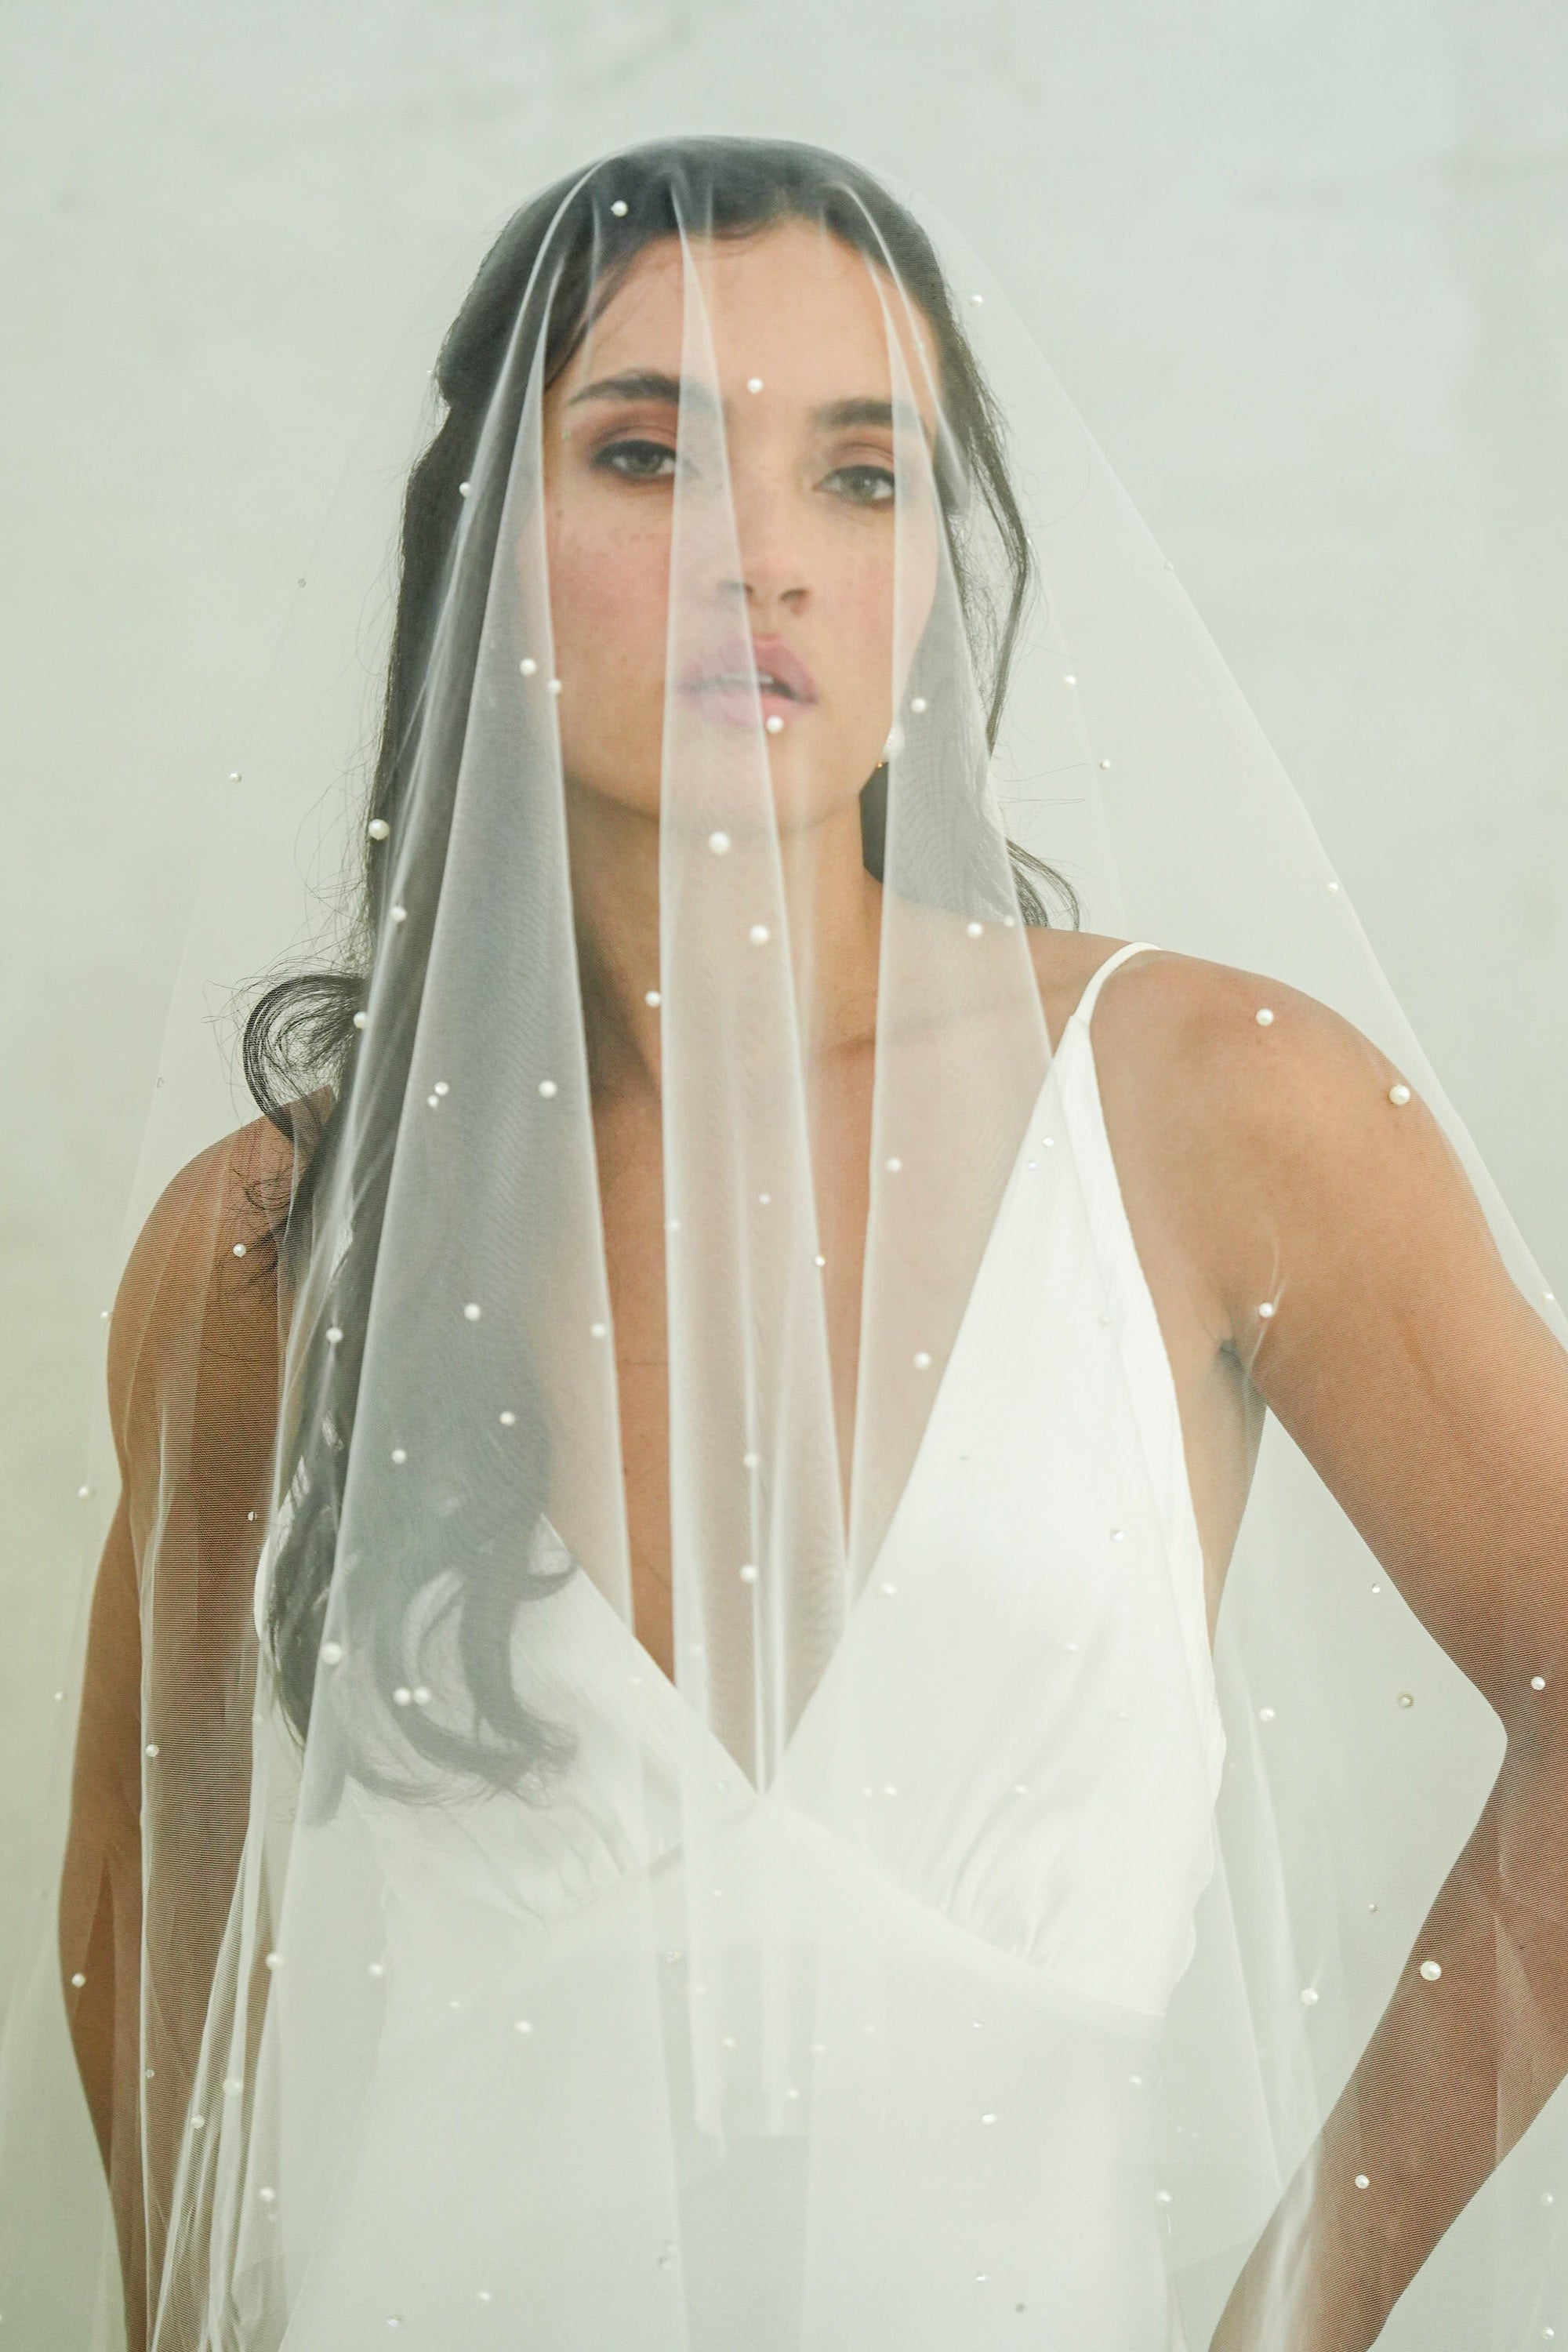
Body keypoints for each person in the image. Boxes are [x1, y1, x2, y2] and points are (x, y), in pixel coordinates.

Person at [5, 135, 1568, 2350]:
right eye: (649, 455)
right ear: (492, 547)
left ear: (939, 566)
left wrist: (1302, 2313)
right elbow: (148, 1839)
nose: (769, 560)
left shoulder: (1214, 1111)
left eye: (865, 476)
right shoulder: (279, 1236)